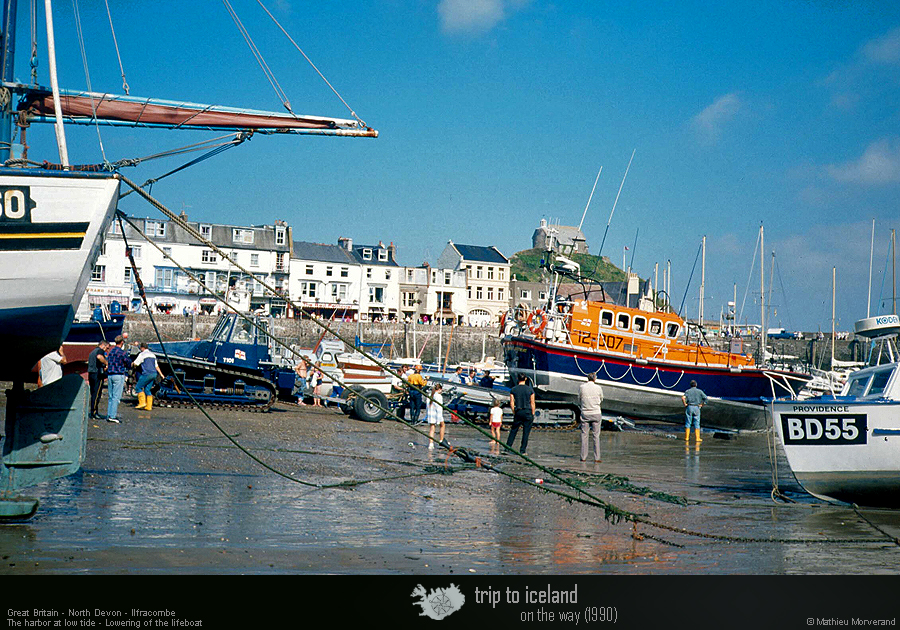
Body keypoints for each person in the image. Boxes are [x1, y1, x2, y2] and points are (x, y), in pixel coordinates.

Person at [507, 374, 536, 455]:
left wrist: (514, 412)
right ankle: (522, 450)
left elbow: (512, 402)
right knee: (526, 432)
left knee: (513, 430)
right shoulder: (530, 390)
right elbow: (532, 403)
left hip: (518, 411)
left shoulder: (513, 389)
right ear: (526, 379)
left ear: (517, 379)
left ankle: (507, 448)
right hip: (527, 411)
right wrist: (532, 413)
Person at [105, 335, 131, 423]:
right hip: (118, 374)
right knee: (116, 397)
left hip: (110, 375)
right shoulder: (122, 353)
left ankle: (109, 414)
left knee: (111, 396)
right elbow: (128, 363)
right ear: (122, 342)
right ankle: (112, 416)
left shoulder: (111, 351)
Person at [579, 372, 604, 462]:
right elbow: (601, 399)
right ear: (594, 379)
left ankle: (583, 457)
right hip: (596, 413)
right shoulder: (598, 388)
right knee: (596, 436)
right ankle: (597, 458)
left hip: (585, 413)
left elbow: (579, 398)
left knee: (584, 435)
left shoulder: (582, 387)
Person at [133, 342, 164, 411]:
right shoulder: (153, 355)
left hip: (147, 374)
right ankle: (149, 406)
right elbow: (156, 366)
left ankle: (142, 403)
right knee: (147, 389)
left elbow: (136, 363)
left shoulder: (142, 354)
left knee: (138, 387)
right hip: (154, 374)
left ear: (142, 348)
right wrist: (161, 374)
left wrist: (132, 365)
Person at [87, 341, 109, 419]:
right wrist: (106, 363)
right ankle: (94, 412)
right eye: (107, 348)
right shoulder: (100, 351)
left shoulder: (92, 352)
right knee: (97, 394)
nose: (107, 350)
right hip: (97, 374)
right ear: (103, 345)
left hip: (91, 373)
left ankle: (92, 411)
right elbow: (99, 357)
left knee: (93, 393)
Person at [426, 383, 445, 450]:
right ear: (439, 389)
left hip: (431, 413)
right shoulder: (439, 396)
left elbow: (427, 406)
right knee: (442, 425)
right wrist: (439, 418)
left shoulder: (430, 395)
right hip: (437, 413)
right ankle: (441, 440)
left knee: (432, 428)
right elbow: (439, 407)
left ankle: (431, 444)